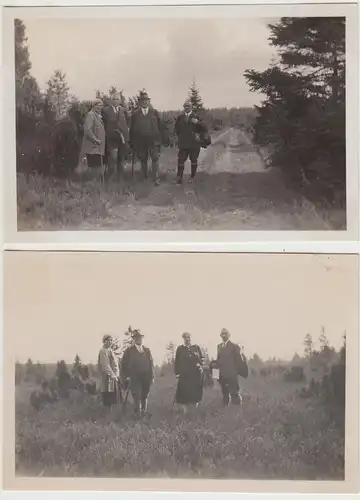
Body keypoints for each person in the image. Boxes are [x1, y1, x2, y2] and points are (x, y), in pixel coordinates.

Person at [129, 91, 164, 186]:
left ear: (148, 101)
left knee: (155, 158)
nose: (144, 102)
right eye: (142, 100)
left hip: (153, 140)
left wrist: (161, 139)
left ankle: (156, 178)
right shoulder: (135, 114)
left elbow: (161, 126)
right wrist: (132, 141)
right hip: (140, 141)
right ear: (139, 102)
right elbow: (132, 129)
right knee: (143, 159)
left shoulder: (154, 113)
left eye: (146, 100)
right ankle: (144, 177)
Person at [121, 329, 155, 419]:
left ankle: (144, 413)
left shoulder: (147, 350)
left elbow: (151, 363)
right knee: (137, 396)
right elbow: (123, 365)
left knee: (144, 395)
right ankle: (138, 415)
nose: (138, 339)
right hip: (134, 377)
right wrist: (126, 376)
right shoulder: (129, 351)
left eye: (139, 337)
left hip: (146, 377)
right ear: (133, 339)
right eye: (136, 337)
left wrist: (152, 376)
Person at [174, 100, 209, 184]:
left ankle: (192, 176)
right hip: (183, 143)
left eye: (188, 106)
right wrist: (178, 138)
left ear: (191, 107)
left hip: (194, 143)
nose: (186, 108)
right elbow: (176, 129)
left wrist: (198, 122)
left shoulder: (196, 117)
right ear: (183, 107)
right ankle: (179, 177)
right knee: (181, 160)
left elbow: (205, 128)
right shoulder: (180, 117)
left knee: (193, 160)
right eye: (185, 106)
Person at [215, 328, 248, 407]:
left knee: (235, 393)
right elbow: (218, 360)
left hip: (232, 374)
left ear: (229, 335)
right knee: (224, 393)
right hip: (222, 374)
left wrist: (238, 371)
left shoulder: (234, 346)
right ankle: (225, 411)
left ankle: (237, 411)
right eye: (222, 334)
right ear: (220, 335)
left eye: (226, 333)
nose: (224, 335)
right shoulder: (219, 346)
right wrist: (216, 374)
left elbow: (239, 360)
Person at [101, 91, 129, 182]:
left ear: (120, 100)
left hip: (122, 139)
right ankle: (107, 180)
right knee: (113, 158)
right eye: (114, 99)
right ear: (110, 100)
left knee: (121, 160)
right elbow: (102, 124)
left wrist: (126, 131)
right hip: (111, 139)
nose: (116, 101)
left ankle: (120, 179)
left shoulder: (123, 110)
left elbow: (128, 121)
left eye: (117, 99)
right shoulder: (105, 110)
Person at [174, 332, 205, 413]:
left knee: (195, 392)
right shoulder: (180, 349)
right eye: (185, 337)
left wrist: (200, 363)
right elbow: (177, 361)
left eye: (188, 337)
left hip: (195, 374)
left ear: (190, 338)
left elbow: (202, 358)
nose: (187, 339)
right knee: (183, 392)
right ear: (183, 338)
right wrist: (177, 372)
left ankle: (194, 411)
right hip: (184, 374)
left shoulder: (196, 347)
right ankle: (185, 411)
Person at [81, 99, 106, 181]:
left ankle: (94, 183)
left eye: (100, 105)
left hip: (98, 148)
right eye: (97, 105)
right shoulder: (90, 115)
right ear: (93, 106)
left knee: (97, 166)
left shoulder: (98, 116)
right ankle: (90, 184)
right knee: (93, 166)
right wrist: (95, 140)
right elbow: (88, 130)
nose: (99, 107)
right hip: (92, 147)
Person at [98, 334, 121, 411]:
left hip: (113, 377)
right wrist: (112, 375)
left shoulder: (111, 350)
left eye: (111, 340)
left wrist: (117, 375)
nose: (110, 342)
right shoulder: (103, 351)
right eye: (108, 340)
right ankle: (106, 414)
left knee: (113, 396)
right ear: (104, 341)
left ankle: (112, 414)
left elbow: (115, 364)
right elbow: (105, 365)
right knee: (107, 395)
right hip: (107, 377)